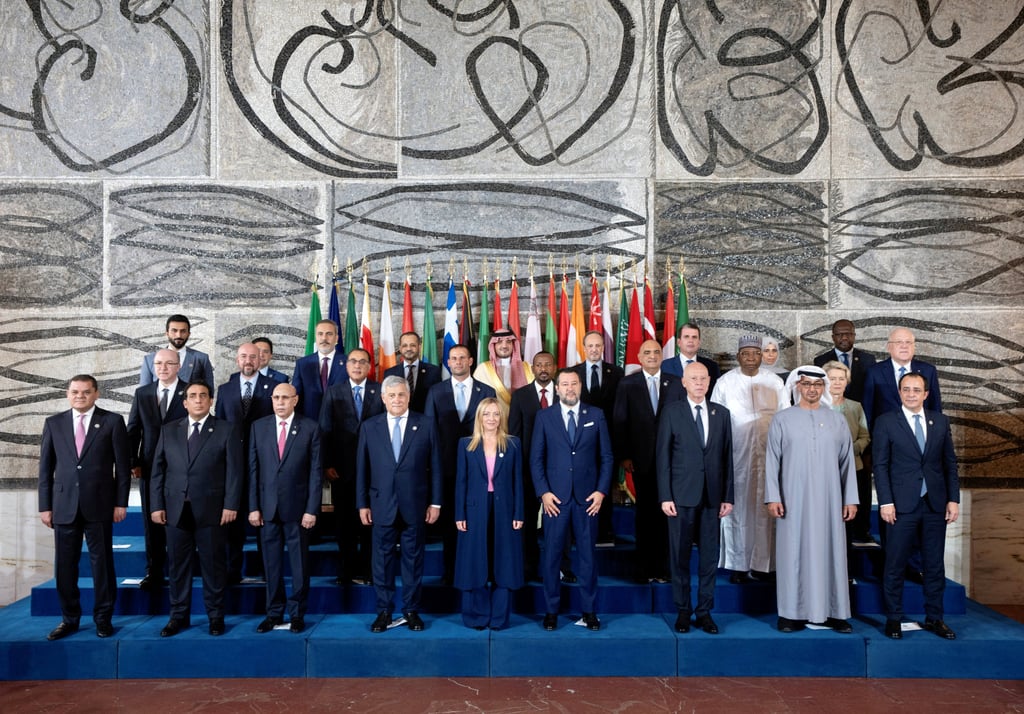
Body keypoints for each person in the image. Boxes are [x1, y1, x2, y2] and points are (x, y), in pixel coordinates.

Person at [766, 366, 858, 634]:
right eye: (806, 384)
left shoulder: (836, 420)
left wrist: (849, 499)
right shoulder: (782, 419)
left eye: (817, 385)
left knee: (832, 553)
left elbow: (847, 464)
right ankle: (791, 614)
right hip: (792, 501)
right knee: (793, 553)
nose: (812, 389)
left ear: (824, 388)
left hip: (830, 501)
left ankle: (835, 612)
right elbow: (772, 461)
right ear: (797, 386)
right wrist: (773, 496)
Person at [38, 375, 131, 641]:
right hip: (63, 506)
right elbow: (45, 469)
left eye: (86, 392)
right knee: (65, 566)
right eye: (75, 392)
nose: (80, 396)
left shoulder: (113, 422)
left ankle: (103, 618)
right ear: (68, 394)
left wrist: (120, 502)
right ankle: (69, 619)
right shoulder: (54, 423)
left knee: (101, 564)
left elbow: (122, 469)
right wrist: (45, 506)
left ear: (96, 394)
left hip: (100, 506)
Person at [150, 381, 243, 637]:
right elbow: (157, 471)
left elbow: (235, 472)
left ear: (211, 401)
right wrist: (156, 505)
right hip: (175, 510)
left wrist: (231, 504)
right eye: (193, 396)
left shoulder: (226, 429)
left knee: (214, 566)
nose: (198, 399)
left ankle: (215, 616)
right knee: (178, 568)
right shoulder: (169, 430)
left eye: (203, 395)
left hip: (213, 510)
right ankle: (178, 616)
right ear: (185, 402)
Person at [873, 371, 960, 640]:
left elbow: (949, 464)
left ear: (926, 394)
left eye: (916, 390)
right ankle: (894, 619)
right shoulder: (886, 422)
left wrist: (953, 499)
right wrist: (885, 501)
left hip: (934, 504)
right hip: (900, 506)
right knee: (895, 564)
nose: (911, 394)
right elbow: (881, 465)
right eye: (906, 389)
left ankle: (935, 618)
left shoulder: (940, 421)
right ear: (899, 393)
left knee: (934, 566)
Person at [356, 376, 443, 633]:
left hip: (415, 505)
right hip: (381, 505)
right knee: (381, 562)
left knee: (413, 561)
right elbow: (362, 468)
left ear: (408, 396)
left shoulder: (425, 424)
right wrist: (362, 504)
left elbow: (436, 467)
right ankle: (384, 611)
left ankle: (410, 610)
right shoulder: (370, 427)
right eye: (391, 395)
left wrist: (435, 503)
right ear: (383, 398)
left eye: (401, 395)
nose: (397, 400)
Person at [531, 369, 613, 631]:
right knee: (552, 557)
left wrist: (601, 491)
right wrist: (544, 492)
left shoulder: (596, 415)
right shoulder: (544, 417)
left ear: (580, 386)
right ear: (556, 388)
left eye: (573, 383)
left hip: (588, 499)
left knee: (588, 557)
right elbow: (536, 459)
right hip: (555, 500)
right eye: (564, 384)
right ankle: (551, 611)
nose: (569, 388)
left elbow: (607, 457)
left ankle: (589, 611)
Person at [656, 362, 734, 635]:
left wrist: (728, 496)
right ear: (684, 382)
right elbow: (662, 457)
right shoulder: (671, 412)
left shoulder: (721, 414)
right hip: (681, 496)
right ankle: (683, 611)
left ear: (709, 381)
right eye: (694, 379)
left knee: (709, 559)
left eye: (703, 379)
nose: (699, 383)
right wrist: (665, 495)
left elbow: (727, 458)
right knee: (679, 558)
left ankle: (704, 611)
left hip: (712, 498)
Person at [710, 335, 788, 582]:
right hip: (737, 457)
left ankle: (764, 565)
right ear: (738, 356)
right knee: (738, 510)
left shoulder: (774, 382)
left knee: (767, 509)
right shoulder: (725, 382)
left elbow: (786, 417)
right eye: (746, 353)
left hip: (769, 457)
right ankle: (738, 565)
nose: (752, 358)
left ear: (762, 355)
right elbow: (716, 421)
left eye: (756, 353)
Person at [249, 383, 322, 634]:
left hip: (299, 511)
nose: (280, 402)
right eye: (276, 397)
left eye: (285, 398)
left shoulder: (310, 428)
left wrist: (312, 509)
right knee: (271, 565)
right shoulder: (259, 427)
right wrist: (253, 507)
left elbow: (315, 473)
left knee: (299, 565)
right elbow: (253, 470)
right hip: (267, 510)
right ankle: (273, 613)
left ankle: (298, 614)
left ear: (295, 400)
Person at [612, 339, 685, 582]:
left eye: (656, 352)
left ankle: (663, 569)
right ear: (639, 357)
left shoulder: (676, 383)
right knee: (644, 516)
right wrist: (624, 456)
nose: (652, 356)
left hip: (671, 460)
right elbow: (620, 421)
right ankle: (644, 570)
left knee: (667, 515)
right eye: (647, 352)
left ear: (662, 356)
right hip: (640, 461)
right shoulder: (627, 383)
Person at [424, 344, 496, 584]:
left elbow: (492, 430)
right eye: (453, 358)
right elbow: (430, 432)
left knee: (479, 521)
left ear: (471, 361)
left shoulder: (486, 390)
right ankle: (451, 573)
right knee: (450, 524)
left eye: (462, 358)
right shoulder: (436, 391)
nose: (457, 362)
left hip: (479, 467)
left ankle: (481, 571)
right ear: (448, 362)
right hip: (446, 468)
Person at [454, 398, 524, 630]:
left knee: (503, 562)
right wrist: (459, 514)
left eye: (496, 414)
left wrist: (519, 513)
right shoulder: (466, 445)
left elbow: (518, 482)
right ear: (479, 418)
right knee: (475, 562)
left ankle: (499, 618)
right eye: (487, 414)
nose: (492, 419)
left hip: (505, 510)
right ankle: (476, 616)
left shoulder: (513, 444)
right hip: (474, 511)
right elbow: (461, 482)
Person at [318, 347, 384, 585]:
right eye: (353, 362)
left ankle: (367, 570)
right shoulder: (334, 392)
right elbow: (324, 429)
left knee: (369, 522)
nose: (357, 366)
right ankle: (346, 571)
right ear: (346, 366)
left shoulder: (380, 391)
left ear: (369, 367)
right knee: (344, 523)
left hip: (374, 469)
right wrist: (326, 463)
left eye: (362, 362)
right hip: (341, 469)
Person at [126, 349, 187, 591]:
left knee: (179, 520)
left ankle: (180, 570)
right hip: (150, 467)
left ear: (178, 366)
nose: (163, 368)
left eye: (168, 363)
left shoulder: (190, 391)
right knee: (151, 522)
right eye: (158, 363)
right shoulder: (143, 393)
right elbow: (133, 429)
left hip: (182, 468)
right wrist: (133, 462)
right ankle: (154, 570)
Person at [216, 343, 276, 583]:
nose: (249, 361)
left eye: (253, 356)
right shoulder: (225, 389)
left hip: (264, 462)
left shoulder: (272, 387)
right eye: (244, 357)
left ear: (260, 359)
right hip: (232, 464)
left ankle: (265, 570)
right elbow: (219, 425)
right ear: (237, 360)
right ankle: (232, 571)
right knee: (233, 521)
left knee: (264, 518)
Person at [508, 351, 557, 581]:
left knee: (558, 522)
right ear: (532, 368)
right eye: (539, 365)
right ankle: (529, 566)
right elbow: (514, 436)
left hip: (559, 471)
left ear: (554, 367)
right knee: (527, 521)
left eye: (547, 364)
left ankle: (560, 566)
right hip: (528, 470)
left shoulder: (566, 392)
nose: (543, 368)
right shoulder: (520, 396)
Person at [573, 330, 623, 548]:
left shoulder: (617, 373)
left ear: (603, 348)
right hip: (580, 441)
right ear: (584, 348)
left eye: (598, 346)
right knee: (580, 486)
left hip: (609, 440)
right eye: (590, 346)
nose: (594, 349)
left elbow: (621, 410)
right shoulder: (573, 373)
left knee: (605, 485)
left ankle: (604, 531)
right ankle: (579, 531)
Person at [824, 360, 874, 547]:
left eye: (841, 379)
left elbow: (864, 435)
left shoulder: (855, 407)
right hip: (823, 471)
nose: (837, 382)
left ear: (847, 382)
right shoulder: (817, 407)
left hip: (853, 467)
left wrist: (853, 448)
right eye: (832, 379)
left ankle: (846, 571)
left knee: (848, 520)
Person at [861, 327, 941, 430]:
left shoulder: (928, 371)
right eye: (899, 342)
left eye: (908, 342)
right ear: (889, 347)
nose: (904, 346)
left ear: (914, 346)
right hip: (887, 436)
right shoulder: (874, 372)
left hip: (920, 434)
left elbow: (935, 407)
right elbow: (867, 410)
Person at [140, 314, 214, 391]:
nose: (178, 335)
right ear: (167, 333)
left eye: (183, 331)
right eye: (174, 331)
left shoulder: (201, 358)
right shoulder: (150, 359)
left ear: (189, 334)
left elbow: (209, 392)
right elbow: (143, 393)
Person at [292, 319, 347, 420]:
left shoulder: (348, 363)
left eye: (329, 334)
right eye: (320, 334)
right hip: (310, 423)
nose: (324, 338)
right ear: (316, 338)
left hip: (340, 424)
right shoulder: (302, 364)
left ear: (337, 338)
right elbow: (296, 396)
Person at [813, 319, 876, 403]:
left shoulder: (868, 360)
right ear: (833, 337)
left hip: (860, 410)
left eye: (848, 334)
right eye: (839, 334)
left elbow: (872, 391)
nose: (844, 338)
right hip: (831, 409)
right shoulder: (821, 361)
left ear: (854, 336)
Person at [383, 331, 442, 413]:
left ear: (419, 347)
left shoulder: (433, 371)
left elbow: (438, 400)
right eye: (405, 346)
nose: (408, 349)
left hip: (425, 420)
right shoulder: (389, 373)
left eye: (412, 345)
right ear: (400, 348)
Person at [473, 328, 533, 405]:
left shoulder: (527, 367)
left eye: (508, 342)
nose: (504, 346)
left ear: (513, 345)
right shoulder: (482, 369)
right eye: (499, 342)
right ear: (493, 345)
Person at [661, 322, 721, 396]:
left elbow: (716, 395)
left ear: (699, 343)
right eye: (686, 337)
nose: (690, 341)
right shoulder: (665, 366)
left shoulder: (712, 367)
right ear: (678, 342)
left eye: (694, 337)